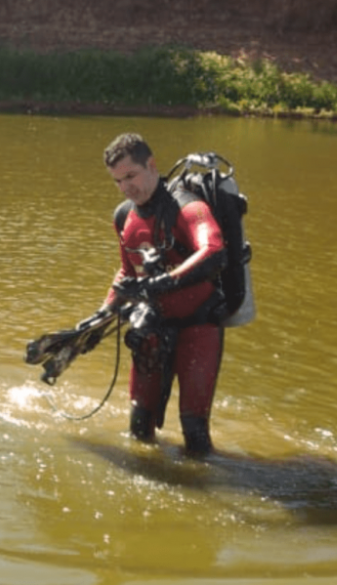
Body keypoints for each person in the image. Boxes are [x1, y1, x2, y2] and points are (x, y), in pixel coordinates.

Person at [92, 133, 228, 456]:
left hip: (199, 327)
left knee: (195, 434)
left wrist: (157, 285)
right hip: (152, 328)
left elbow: (214, 250)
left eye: (130, 176)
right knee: (139, 427)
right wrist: (100, 316)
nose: (126, 187)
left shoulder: (188, 206)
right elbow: (127, 273)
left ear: (151, 166)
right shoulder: (124, 216)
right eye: (117, 181)